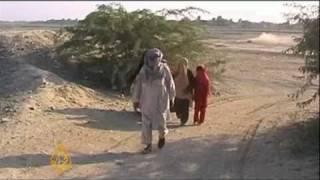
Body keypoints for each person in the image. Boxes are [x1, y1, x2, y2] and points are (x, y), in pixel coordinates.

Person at [132, 48, 175, 154]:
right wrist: (136, 99)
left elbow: (170, 83)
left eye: (155, 58)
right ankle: (148, 145)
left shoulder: (164, 68)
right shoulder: (144, 70)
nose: (153, 61)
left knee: (161, 120)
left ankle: (162, 136)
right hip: (146, 100)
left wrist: (172, 97)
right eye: (151, 58)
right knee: (146, 123)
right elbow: (138, 85)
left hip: (161, 100)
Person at [172, 58, 195, 126]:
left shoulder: (189, 72)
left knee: (185, 109)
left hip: (186, 95)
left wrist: (188, 89)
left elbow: (192, 82)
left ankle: (183, 120)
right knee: (178, 108)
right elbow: (171, 81)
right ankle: (180, 116)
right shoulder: (176, 72)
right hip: (177, 94)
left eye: (184, 64)